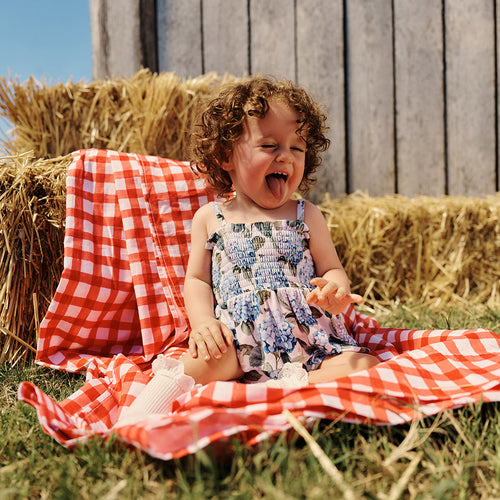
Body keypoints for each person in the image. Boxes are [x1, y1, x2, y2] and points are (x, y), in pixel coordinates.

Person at [117, 76, 379, 424]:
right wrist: (203, 324)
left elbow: (332, 268)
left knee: (367, 365)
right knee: (185, 368)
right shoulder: (211, 217)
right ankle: (133, 420)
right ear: (226, 156)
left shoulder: (307, 215)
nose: (285, 157)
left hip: (306, 334)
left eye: (297, 148)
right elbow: (197, 280)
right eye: (270, 146)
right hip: (237, 337)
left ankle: (284, 388)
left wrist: (335, 289)